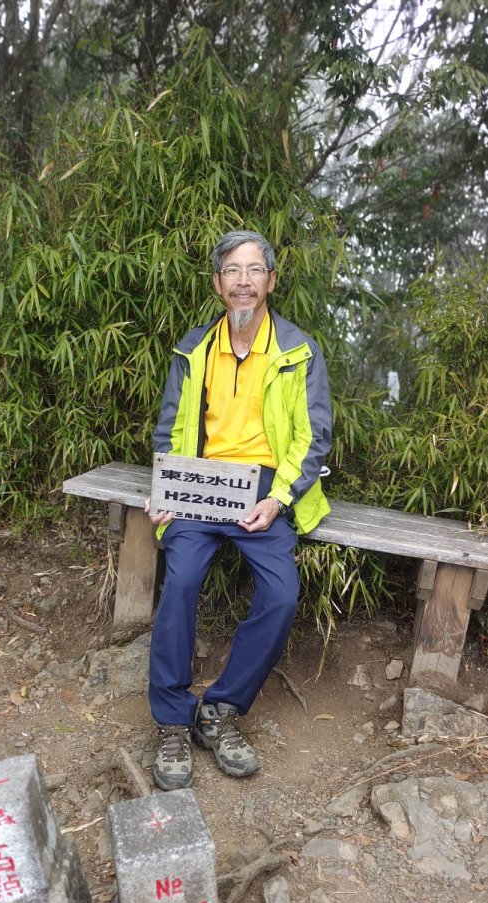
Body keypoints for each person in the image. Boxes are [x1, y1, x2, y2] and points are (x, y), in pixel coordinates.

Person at [144, 229, 331, 790]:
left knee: (281, 595)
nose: (243, 281)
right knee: (179, 582)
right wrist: (167, 485)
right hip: (201, 484)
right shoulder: (194, 348)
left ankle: (221, 709)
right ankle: (173, 719)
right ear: (218, 283)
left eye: (254, 270)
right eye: (232, 270)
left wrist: (278, 500)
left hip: (265, 490)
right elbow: (170, 428)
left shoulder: (299, 351)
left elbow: (314, 437)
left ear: (271, 281)